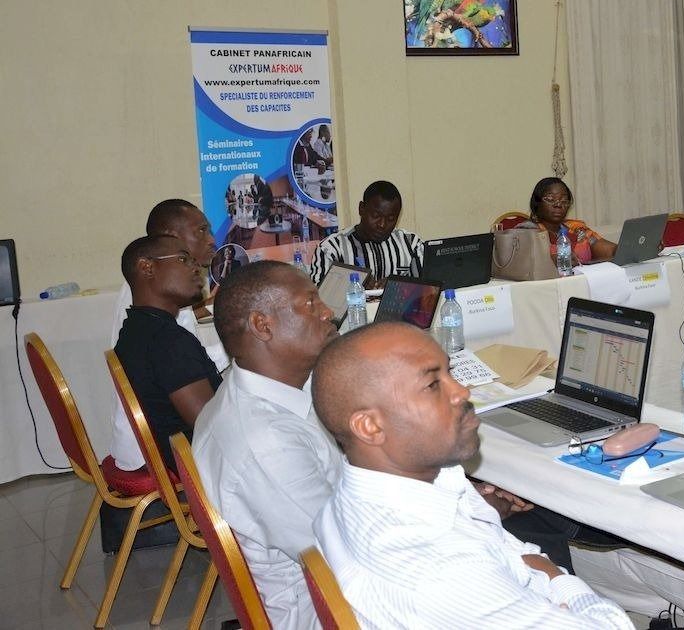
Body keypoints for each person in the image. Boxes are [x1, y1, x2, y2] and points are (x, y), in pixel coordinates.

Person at [310, 323, 633, 628]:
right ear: (370, 426)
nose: (462, 392)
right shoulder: (441, 571)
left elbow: (512, 552)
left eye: (450, 373)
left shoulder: (365, 489)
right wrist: (559, 580)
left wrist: (539, 573)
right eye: (432, 385)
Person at [194, 261, 342, 630]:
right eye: (310, 303)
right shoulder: (266, 445)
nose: (328, 312)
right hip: (325, 607)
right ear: (263, 325)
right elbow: (347, 548)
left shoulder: (262, 389)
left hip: (328, 576)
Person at [108, 199, 225, 474]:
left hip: (167, 440)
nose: (211, 240)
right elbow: (213, 428)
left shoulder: (144, 318)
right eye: (183, 259)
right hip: (174, 455)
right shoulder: (167, 339)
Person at [310, 180, 423, 287]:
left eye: (390, 219)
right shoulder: (331, 248)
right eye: (375, 216)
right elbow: (316, 296)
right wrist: (352, 286)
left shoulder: (411, 244)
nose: (382, 224)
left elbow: (429, 289)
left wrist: (398, 285)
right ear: (361, 209)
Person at [526, 177, 616, 264]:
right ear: (536, 203)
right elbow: (524, 263)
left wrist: (619, 250)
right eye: (550, 199)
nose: (558, 204)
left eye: (564, 201)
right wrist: (553, 261)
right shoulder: (528, 230)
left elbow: (611, 251)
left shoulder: (576, 228)